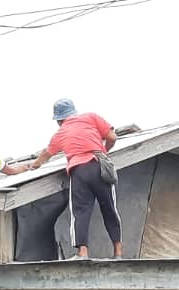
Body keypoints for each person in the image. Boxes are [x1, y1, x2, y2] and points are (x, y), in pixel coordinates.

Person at [28, 98, 123, 259]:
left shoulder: (60, 133)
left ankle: (83, 252)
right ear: (73, 111)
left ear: (59, 119)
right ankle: (118, 252)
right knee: (110, 209)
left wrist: (33, 166)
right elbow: (112, 137)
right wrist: (103, 152)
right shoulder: (91, 117)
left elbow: (46, 154)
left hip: (79, 171)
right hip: (99, 166)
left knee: (80, 212)